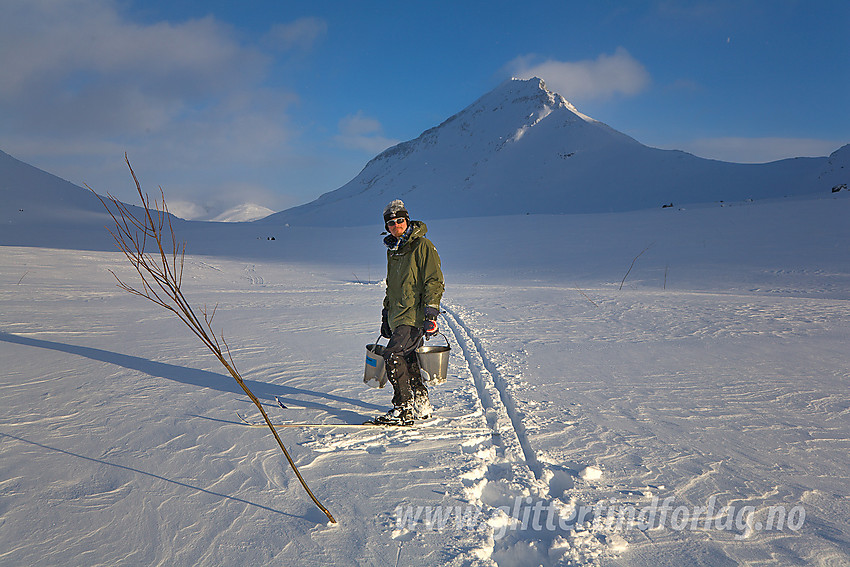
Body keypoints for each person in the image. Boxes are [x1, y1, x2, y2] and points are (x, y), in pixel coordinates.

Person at [373, 199, 445, 426]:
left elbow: (434, 280)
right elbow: (392, 287)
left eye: (400, 221)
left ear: (407, 220)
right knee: (408, 357)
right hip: (397, 315)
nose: (396, 226)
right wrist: (386, 314)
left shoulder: (422, 246)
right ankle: (421, 402)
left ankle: (403, 407)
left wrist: (431, 313)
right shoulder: (393, 251)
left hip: (413, 315)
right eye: (391, 223)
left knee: (393, 355)